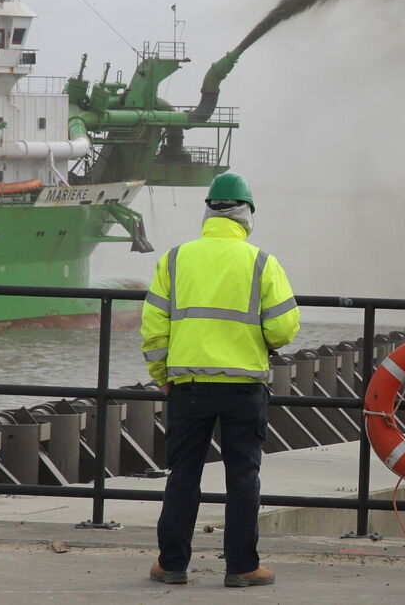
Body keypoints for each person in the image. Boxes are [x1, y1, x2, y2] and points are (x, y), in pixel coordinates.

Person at [141, 171, 300, 588]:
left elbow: (153, 328)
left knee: (184, 475)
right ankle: (242, 567)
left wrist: (163, 375)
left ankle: (171, 564)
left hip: (188, 387)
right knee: (243, 476)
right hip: (243, 388)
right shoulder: (261, 261)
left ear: (208, 211)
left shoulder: (175, 259)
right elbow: (283, 329)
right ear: (247, 215)